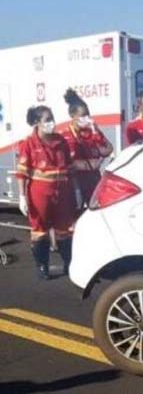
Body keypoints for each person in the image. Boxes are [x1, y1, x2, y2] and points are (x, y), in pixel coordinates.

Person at [16, 106, 81, 279]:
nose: (51, 123)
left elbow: (70, 168)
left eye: (52, 118)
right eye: (47, 120)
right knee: (40, 232)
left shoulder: (61, 141)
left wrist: (76, 190)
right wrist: (22, 196)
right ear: (37, 123)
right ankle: (42, 267)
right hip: (40, 194)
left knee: (65, 231)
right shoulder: (28, 144)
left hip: (63, 193)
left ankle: (69, 264)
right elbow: (22, 173)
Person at [61, 89, 113, 210]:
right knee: (76, 209)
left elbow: (109, 149)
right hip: (75, 180)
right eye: (83, 115)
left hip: (93, 177)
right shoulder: (65, 135)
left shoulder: (92, 131)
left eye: (88, 115)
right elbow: (68, 162)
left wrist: (96, 134)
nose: (87, 118)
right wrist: (85, 163)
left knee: (97, 208)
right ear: (73, 116)